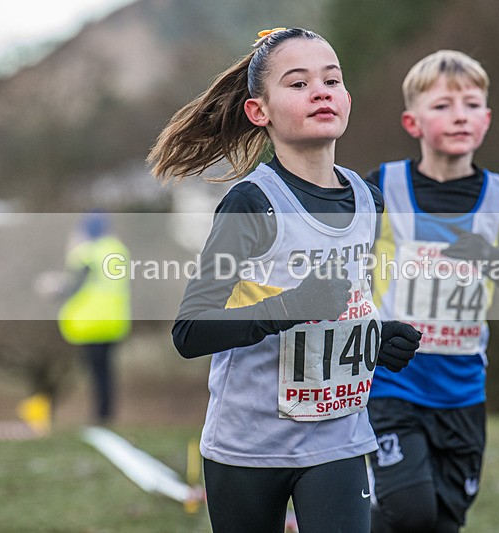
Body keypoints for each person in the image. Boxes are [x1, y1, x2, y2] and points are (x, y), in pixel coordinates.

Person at [147, 27, 422, 533]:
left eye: (332, 81)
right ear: (260, 111)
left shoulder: (370, 202)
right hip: (248, 446)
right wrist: (288, 307)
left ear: (347, 99)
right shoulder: (252, 204)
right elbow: (190, 331)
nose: (320, 92)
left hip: (338, 438)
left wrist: (376, 340)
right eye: (298, 84)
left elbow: (344, 307)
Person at [365, 50, 499, 532]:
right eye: (443, 106)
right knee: (411, 512)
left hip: (463, 391)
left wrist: (490, 258)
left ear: (486, 119)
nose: (460, 116)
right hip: (393, 384)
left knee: (443, 524)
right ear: (412, 122)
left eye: (471, 105)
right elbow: (342, 268)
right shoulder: (381, 187)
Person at [57, 210, 131, 425]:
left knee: (96, 372)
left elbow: (73, 286)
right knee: (107, 371)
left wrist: (54, 288)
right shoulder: (118, 250)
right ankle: (106, 415)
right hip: (114, 321)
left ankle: (100, 417)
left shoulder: (85, 253)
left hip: (91, 322)